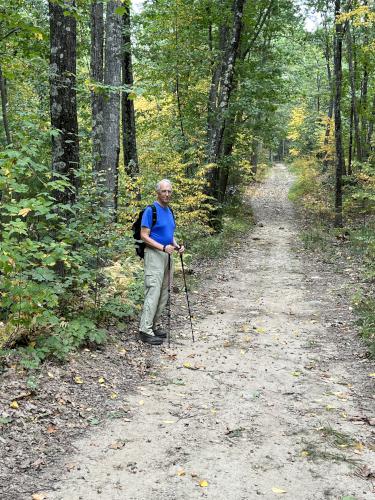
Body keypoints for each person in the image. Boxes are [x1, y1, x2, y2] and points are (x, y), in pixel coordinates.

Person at [139, 179, 185, 345]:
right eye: (164, 191)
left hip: (167, 254)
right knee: (153, 290)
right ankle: (145, 330)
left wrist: (176, 245)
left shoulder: (169, 211)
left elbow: (169, 234)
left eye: (169, 191)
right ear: (157, 192)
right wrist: (162, 247)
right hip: (154, 255)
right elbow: (144, 235)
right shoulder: (151, 210)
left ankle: (154, 325)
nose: (167, 194)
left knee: (164, 292)